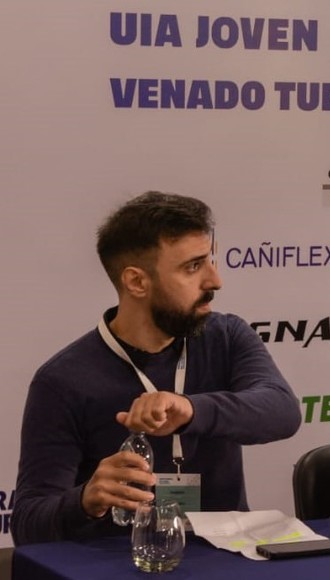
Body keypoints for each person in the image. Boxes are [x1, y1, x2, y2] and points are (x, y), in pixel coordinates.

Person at [12, 191, 301, 545]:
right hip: (117, 564)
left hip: (225, 559)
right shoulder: (62, 381)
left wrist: (192, 409)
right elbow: (28, 523)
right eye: (193, 267)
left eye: (210, 260)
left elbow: (283, 412)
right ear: (136, 282)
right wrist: (85, 501)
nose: (215, 281)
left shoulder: (226, 336)